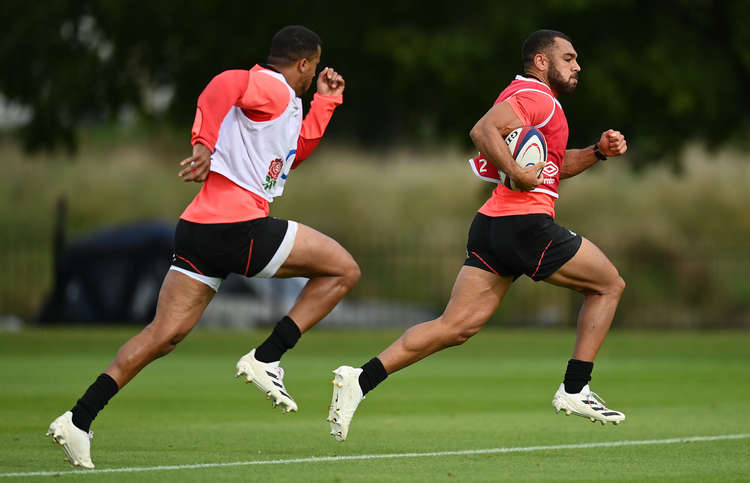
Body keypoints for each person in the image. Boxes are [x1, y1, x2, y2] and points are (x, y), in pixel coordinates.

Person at [47, 25, 358, 468]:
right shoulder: (268, 84)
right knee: (343, 270)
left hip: (199, 230)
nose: (314, 77)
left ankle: (78, 419)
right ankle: (267, 358)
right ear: (304, 63)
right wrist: (203, 144)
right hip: (238, 227)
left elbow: (295, 150)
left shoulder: (286, 102)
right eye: (314, 70)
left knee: (163, 335)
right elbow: (220, 86)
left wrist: (325, 101)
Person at [328, 29, 628, 442]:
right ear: (542, 61)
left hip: (493, 224)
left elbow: (553, 169)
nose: (578, 66)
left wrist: (596, 152)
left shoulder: (531, 100)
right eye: (569, 58)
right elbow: (483, 130)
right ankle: (576, 388)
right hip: (526, 226)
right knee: (609, 285)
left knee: (454, 327)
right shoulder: (538, 98)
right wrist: (521, 174)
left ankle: (360, 379)